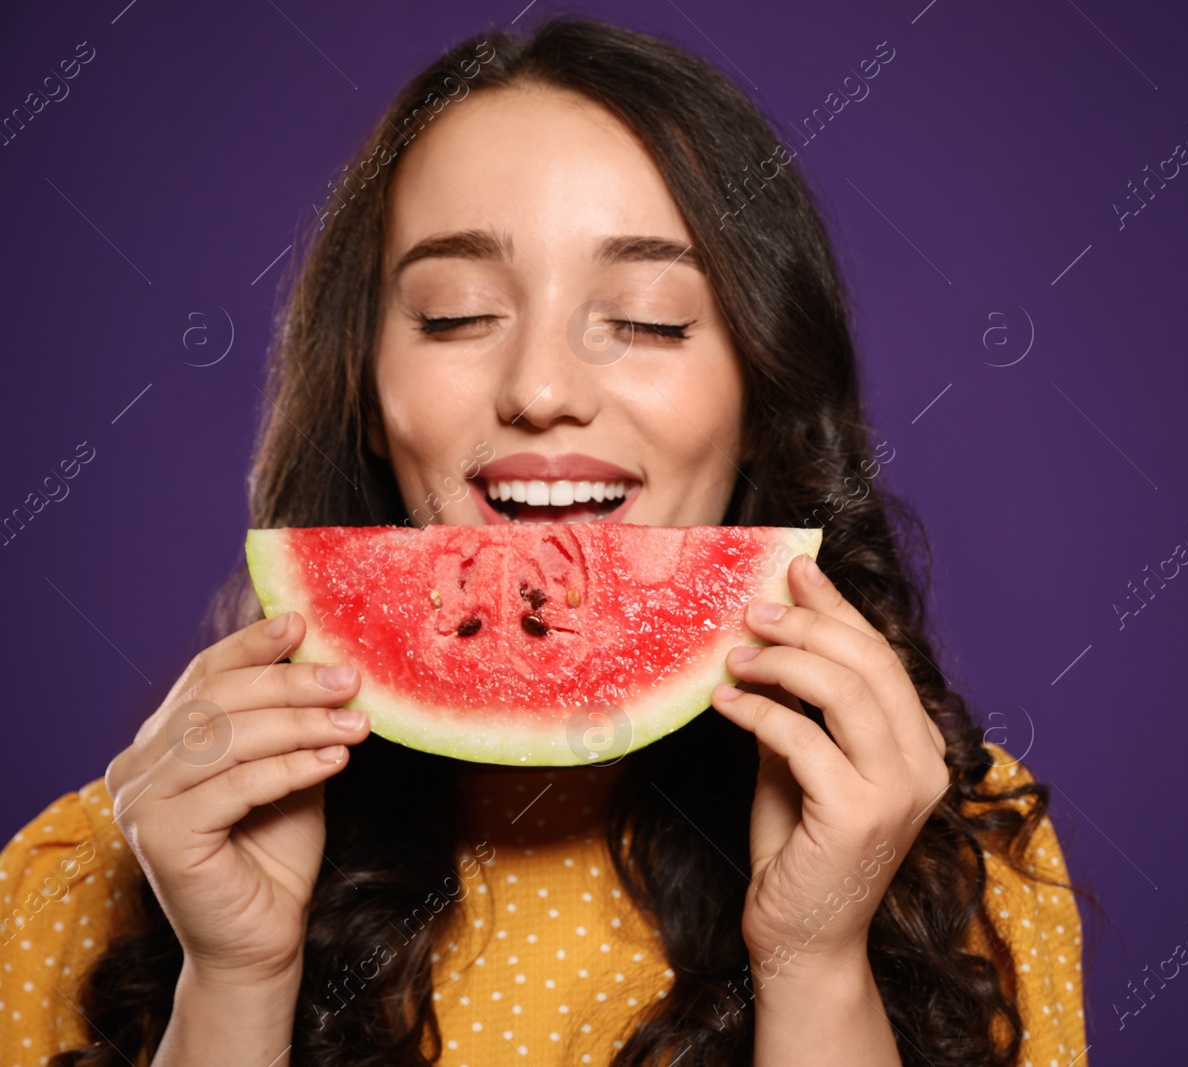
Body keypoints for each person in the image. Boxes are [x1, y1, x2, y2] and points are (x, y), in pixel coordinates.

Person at [0, 16, 1093, 1066]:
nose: (538, 389)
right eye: (457, 313)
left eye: (651, 318)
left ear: (761, 388)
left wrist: (818, 961)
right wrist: (232, 975)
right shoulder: (99, 862)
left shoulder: (962, 864)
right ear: (368, 390)